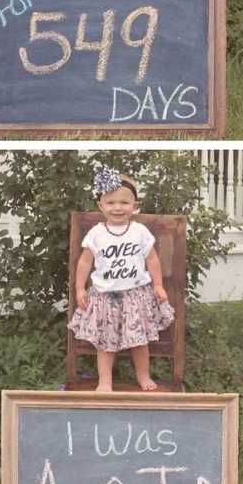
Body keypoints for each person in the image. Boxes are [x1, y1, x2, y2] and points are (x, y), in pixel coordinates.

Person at [68, 167, 174, 392]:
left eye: (124, 203)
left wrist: (157, 285)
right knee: (105, 344)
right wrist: (79, 289)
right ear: (101, 206)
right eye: (111, 202)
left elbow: (152, 259)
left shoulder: (139, 231)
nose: (117, 208)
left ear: (135, 206)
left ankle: (143, 376)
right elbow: (85, 262)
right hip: (105, 298)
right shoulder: (97, 233)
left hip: (135, 296)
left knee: (139, 341)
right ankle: (104, 381)